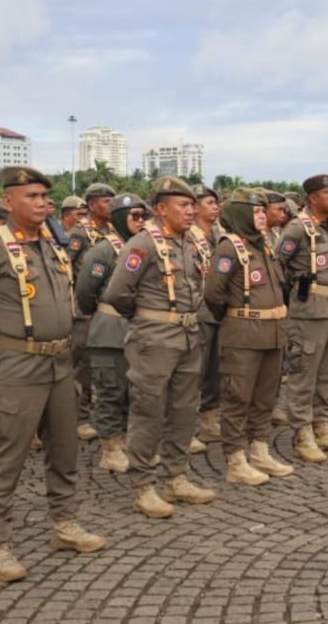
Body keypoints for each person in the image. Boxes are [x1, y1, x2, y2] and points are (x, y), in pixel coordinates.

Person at [0, 166, 107, 583]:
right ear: (8, 201)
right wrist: (5, 348)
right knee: (6, 455)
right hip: (17, 364)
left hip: (60, 362)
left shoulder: (53, 243)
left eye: (45, 195)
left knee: (65, 451)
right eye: (32, 196)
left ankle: (64, 524)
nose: (43, 202)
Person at [103, 176, 216, 518]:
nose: (190, 211)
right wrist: (148, 319)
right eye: (183, 205)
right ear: (160, 209)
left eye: (192, 205)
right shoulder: (142, 244)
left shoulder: (188, 242)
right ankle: (143, 486)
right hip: (153, 339)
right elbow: (117, 294)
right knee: (148, 412)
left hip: (188, 336)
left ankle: (175, 478)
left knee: (183, 411)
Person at [204, 188, 293, 485]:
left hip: (273, 332)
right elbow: (213, 294)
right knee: (237, 397)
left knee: (265, 397)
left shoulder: (264, 246)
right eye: (255, 212)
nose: (262, 216)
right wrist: (235, 318)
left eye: (262, 211)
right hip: (242, 334)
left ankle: (259, 449)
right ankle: (235, 460)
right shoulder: (230, 248)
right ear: (241, 215)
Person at [276, 174, 328, 463]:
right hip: (309, 312)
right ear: (312, 198)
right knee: (303, 374)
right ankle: (302, 434)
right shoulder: (297, 228)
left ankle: (322, 426)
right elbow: (278, 268)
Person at [74, 192, 146, 473]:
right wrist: (101, 312)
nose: (141, 222)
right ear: (119, 219)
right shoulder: (103, 251)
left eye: (144, 216)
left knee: (132, 391)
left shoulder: (142, 248)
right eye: (135, 217)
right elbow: (85, 291)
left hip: (137, 330)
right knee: (110, 391)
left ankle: (126, 440)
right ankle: (111, 448)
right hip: (110, 331)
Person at [189, 183, 223, 447]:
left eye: (215, 203)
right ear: (196, 206)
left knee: (215, 369)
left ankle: (210, 421)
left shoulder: (221, 233)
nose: (215, 207)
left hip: (219, 310)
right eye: (209, 202)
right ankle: (185, 427)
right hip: (198, 311)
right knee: (194, 371)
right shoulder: (187, 235)